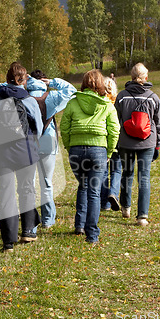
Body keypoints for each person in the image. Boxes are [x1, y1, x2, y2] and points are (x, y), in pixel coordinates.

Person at [0, 62, 43, 252]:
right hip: (24, 150)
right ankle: (28, 230)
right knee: (27, 189)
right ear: (24, 79)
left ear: (7, 78)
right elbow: (39, 126)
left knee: (6, 194)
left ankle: (8, 241)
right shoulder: (29, 100)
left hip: (1, 152)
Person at [60, 69, 120, 244]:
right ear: (101, 85)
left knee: (83, 185)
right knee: (93, 192)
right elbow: (114, 131)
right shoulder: (107, 104)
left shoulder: (73, 103)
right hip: (98, 151)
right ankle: (92, 235)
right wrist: (109, 152)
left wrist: (69, 147)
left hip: (77, 151)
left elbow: (64, 127)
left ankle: (79, 224)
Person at [26, 69, 76, 229]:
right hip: (48, 141)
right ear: (43, 81)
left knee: (30, 183)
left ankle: (30, 222)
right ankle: (47, 219)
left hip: (28, 142)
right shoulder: (51, 97)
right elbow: (72, 91)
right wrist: (52, 82)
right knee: (46, 182)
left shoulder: (23, 97)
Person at [115, 63, 160, 226]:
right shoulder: (154, 97)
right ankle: (142, 216)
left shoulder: (121, 96)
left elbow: (115, 121)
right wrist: (157, 144)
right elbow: (158, 123)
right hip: (147, 142)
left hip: (125, 142)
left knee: (126, 173)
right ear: (146, 78)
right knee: (144, 177)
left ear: (131, 77)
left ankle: (126, 207)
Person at [100, 77, 122, 211]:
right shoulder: (119, 102)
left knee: (103, 172)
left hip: (103, 141)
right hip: (117, 141)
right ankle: (113, 193)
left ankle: (104, 202)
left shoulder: (100, 102)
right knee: (117, 170)